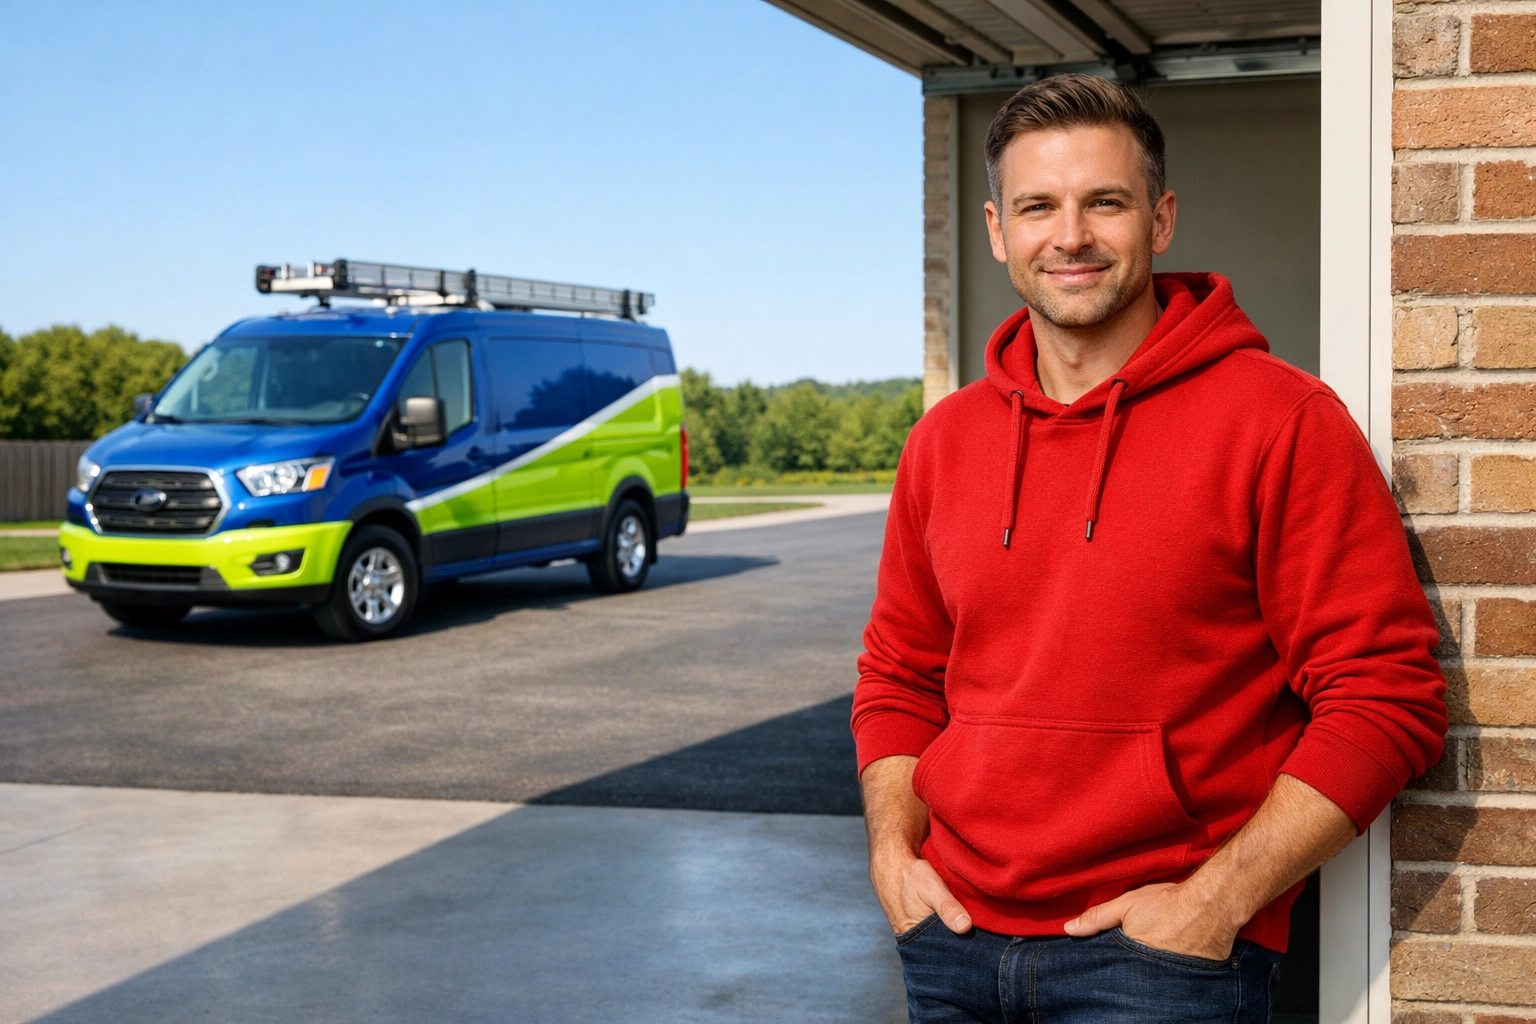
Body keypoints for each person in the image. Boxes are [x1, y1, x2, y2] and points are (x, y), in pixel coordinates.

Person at [853, 73, 1448, 1024]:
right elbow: (898, 675)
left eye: (1106, 203)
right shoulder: (945, 441)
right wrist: (892, 853)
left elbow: (1387, 696)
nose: (1072, 235)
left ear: (1160, 219)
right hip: (952, 944)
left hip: (1158, 964)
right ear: (999, 229)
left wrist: (1216, 903)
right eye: (1038, 206)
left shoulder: (1281, 421)